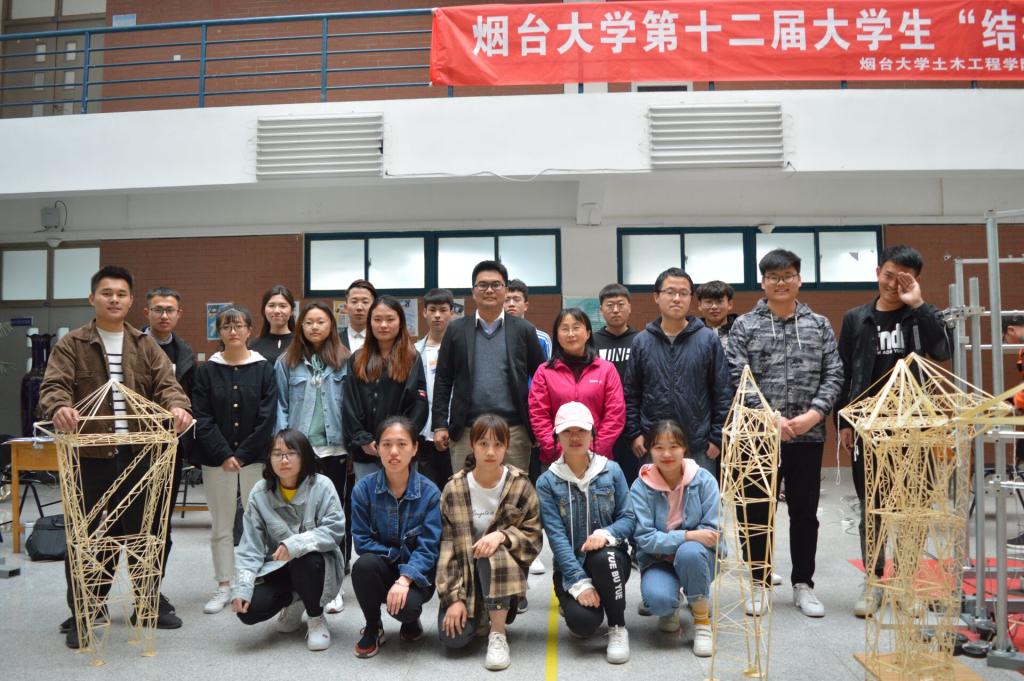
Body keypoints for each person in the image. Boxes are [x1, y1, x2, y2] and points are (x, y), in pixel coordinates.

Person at [39, 265, 192, 650]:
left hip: (140, 455)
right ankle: (85, 612)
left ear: (130, 301)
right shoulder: (72, 344)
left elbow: (168, 386)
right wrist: (59, 407)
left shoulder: (145, 345)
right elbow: (54, 386)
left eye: (121, 294)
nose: (114, 299)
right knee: (86, 537)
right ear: (93, 298)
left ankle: (146, 603)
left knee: (146, 535)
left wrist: (178, 407)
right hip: (90, 456)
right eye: (106, 293)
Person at [835, 245, 951, 616]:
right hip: (869, 427)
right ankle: (873, 582)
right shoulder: (857, 318)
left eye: (903, 278)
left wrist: (919, 305)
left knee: (912, 508)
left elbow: (942, 350)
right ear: (877, 272)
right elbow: (844, 372)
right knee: (873, 508)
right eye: (888, 275)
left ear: (915, 280)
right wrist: (843, 421)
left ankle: (906, 582)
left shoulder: (922, 315)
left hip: (914, 427)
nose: (893, 284)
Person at [727, 249, 843, 619]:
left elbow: (834, 373)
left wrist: (814, 414)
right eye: (773, 277)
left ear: (799, 279)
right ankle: (759, 582)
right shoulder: (745, 326)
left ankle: (803, 584)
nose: (781, 282)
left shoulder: (819, 325)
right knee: (755, 511)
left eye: (788, 275)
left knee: (805, 513)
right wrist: (769, 419)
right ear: (762, 282)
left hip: (807, 436)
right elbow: (737, 376)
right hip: (758, 436)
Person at [436, 414, 543, 671]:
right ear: (472, 445)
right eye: (483, 443)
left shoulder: (520, 485)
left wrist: (503, 536)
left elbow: (534, 538)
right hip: (466, 575)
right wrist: (453, 599)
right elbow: (447, 549)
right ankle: (480, 611)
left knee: (491, 550)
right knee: (454, 639)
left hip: (505, 570)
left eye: (498, 444)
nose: (491, 451)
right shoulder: (454, 488)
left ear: (507, 447)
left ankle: (498, 632)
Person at [192, 305, 277, 615]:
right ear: (219, 332)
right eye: (226, 326)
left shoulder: (264, 368)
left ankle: (252, 580)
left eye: (239, 325)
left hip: (254, 459)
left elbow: (267, 417)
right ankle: (224, 585)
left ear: (249, 330)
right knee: (222, 525)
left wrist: (241, 454)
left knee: (257, 522)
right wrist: (224, 454)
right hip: (217, 461)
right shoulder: (207, 371)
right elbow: (202, 417)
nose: (233, 331)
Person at [536, 402, 635, 664]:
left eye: (581, 430)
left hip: (611, 561)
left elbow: (628, 518)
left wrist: (606, 534)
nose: (575, 437)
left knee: (604, 556)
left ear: (592, 433)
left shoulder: (612, 470)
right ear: (557, 436)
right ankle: (591, 600)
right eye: (567, 431)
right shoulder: (547, 482)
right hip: (571, 570)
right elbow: (556, 538)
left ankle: (617, 626)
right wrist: (579, 582)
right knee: (583, 624)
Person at [230, 429, 346, 651]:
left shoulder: (322, 485)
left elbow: (335, 530)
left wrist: (294, 544)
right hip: (279, 567)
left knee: (306, 559)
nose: (284, 460)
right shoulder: (259, 493)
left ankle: (315, 617)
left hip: (317, 567)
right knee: (249, 611)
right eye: (277, 454)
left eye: (291, 453)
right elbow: (249, 547)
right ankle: (296, 599)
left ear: (305, 456)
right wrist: (242, 588)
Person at [432, 260, 546, 475]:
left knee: (513, 493)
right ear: (473, 291)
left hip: (514, 431)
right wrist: (439, 424)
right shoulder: (456, 330)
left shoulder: (524, 330)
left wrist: (540, 426)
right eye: (483, 285)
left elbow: (542, 380)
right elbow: (443, 379)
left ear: (505, 290)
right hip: (466, 431)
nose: (489, 290)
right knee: (464, 491)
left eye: (496, 285)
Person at [276, 301, 351, 613]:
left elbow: (351, 404)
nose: (315, 327)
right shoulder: (287, 361)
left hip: (335, 449)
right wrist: (282, 447)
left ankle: (334, 586)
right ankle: (299, 583)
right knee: (299, 515)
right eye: (309, 322)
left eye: (321, 321)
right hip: (300, 452)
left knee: (334, 515)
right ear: (300, 327)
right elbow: (280, 405)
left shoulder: (345, 360)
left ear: (331, 325)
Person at [623, 267, 731, 478]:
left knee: (699, 499)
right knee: (653, 498)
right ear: (656, 297)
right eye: (670, 292)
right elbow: (631, 393)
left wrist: (717, 438)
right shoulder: (642, 341)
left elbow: (722, 392)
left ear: (691, 298)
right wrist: (634, 433)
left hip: (699, 446)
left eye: (683, 293)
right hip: (653, 445)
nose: (676, 299)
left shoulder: (707, 339)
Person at [350, 416, 441, 658]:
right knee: (363, 565)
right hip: (381, 567)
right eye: (386, 444)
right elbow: (361, 541)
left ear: (415, 448)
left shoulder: (430, 493)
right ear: (376, 448)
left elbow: (429, 547)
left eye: (402, 444)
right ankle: (373, 626)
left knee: (407, 608)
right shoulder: (363, 490)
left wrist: (405, 578)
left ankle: (410, 621)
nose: (393, 452)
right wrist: (395, 557)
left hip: (416, 573)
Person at [630, 420, 721, 657]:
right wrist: (688, 535)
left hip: (698, 557)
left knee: (689, 552)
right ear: (650, 450)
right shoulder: (640, 487)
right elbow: (645, 539)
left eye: (674, 446)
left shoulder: (704, 480)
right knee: (659, 602)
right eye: (659, 447)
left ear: (684, 449)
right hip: (657, 559)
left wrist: (681, 543)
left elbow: (711, 533)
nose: (667, 454)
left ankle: (701, 622)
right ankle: (672, 603)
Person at [142, 285, 195, 628]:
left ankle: (149, 594)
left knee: (159, 525)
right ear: (146, 312)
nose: (164, 315)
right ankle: (93, 601)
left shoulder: (184, 352)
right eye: (158, 309)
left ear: (179, 314)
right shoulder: (132, 344)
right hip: (125, 447)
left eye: (170, 310)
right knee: (111, 526)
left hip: (167, 450)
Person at [343, 296, 428, 482]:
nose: (383, 325)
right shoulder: (357, 359)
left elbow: (419, 404)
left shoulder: (412, 358)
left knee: (403, 496)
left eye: (390, 319)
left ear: (400, 322)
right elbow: (349, 403)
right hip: (367, 450)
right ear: (369, 322)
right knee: (368, 497)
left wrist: (399, 438)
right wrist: (363, 439)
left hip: (400, 449)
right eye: (377, 319)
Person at [529, 307, 625, 464]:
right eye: (564, 329)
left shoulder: (606, 369)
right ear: (557, 335)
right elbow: (538, 415)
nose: (571, 334)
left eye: (576, 327)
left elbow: (615, 415)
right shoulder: (544, 372)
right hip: (556, 460)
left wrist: (593, 451)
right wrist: (559, 452)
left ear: (588, 333)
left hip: (598, 459)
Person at [594, 283, 641, 487]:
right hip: (602, 424)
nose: (615, 310)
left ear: (630, 307)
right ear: (601, 309)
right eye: (610, 305)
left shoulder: (641, 340)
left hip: (633, 424)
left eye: (621, 304)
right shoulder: (591, 342)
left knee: (632, 480)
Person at [414, 288, 456, 491]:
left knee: (454, 490)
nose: (437, 315)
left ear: (452, 312)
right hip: (423, 433)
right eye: (432, 310)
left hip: (454, 431)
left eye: (443, 310)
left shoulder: (462, 349)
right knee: (427, 491)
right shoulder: (414, 351)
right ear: (424, 312)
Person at [505, 278, 552, 359]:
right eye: (506, 300)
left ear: (526, 306)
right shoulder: (495, 337)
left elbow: (547, 367)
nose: (511, 304)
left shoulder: (542, 339)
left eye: (516, 299)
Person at [250, 285, 296, 364]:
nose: (277, 311)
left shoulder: (301, 344)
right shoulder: (253, 347)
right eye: (271, 305)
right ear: (264, 310)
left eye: (283, 306)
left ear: (292, 311)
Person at [695, 280, 738, 353]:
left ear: (730, 304)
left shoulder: (741, 330)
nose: (714, 307)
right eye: (709, 302)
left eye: (719, 301)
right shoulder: (692, 333)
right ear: (699, 305)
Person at [340, 279, 377, 353]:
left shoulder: (382, 340)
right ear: (346, 307)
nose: (359, 307)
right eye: (354, 301)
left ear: (374, 308)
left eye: (365, 302)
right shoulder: (334, 341)